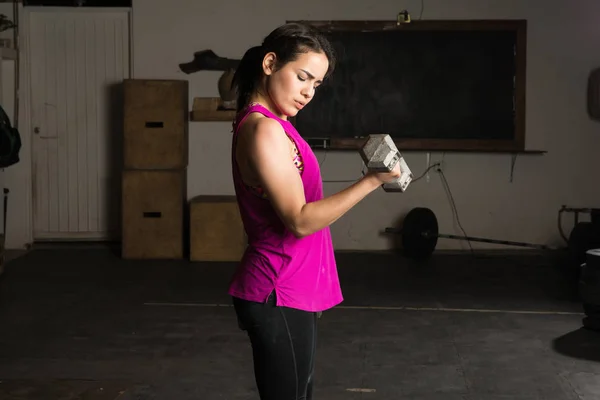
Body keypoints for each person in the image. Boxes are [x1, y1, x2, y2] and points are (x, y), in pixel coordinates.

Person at [228, 22, 402, 400]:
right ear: (270, 63)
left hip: (293, 287)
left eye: (317, 85)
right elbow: (300, 220)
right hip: (278, 287)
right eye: (303, 77)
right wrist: (373, 180)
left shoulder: (277, 126)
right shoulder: (264, 131)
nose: (308, 92)